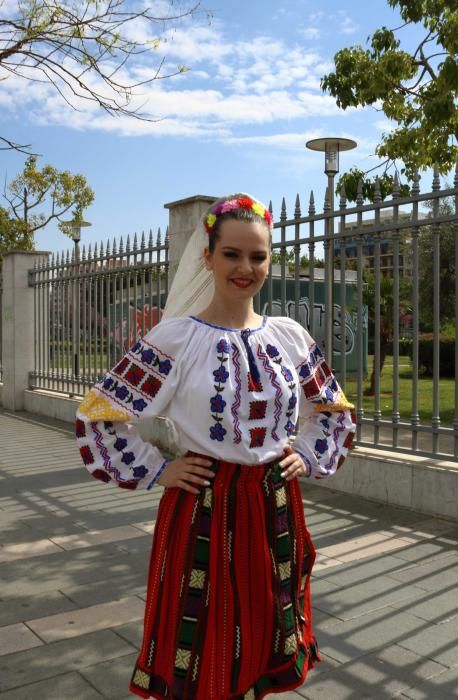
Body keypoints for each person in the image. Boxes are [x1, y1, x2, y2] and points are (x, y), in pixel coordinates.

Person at [76, 193, 355, 700]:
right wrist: (158, 470)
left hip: (273, 505)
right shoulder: (175, 339)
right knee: (207, 636)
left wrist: (309, 453)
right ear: (208, 257)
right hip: (206, 504)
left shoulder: (289, 337)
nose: (245, 267)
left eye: (257, 255)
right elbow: (100, 414)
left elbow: (333, 409)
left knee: (265, 623)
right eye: (232, 254)